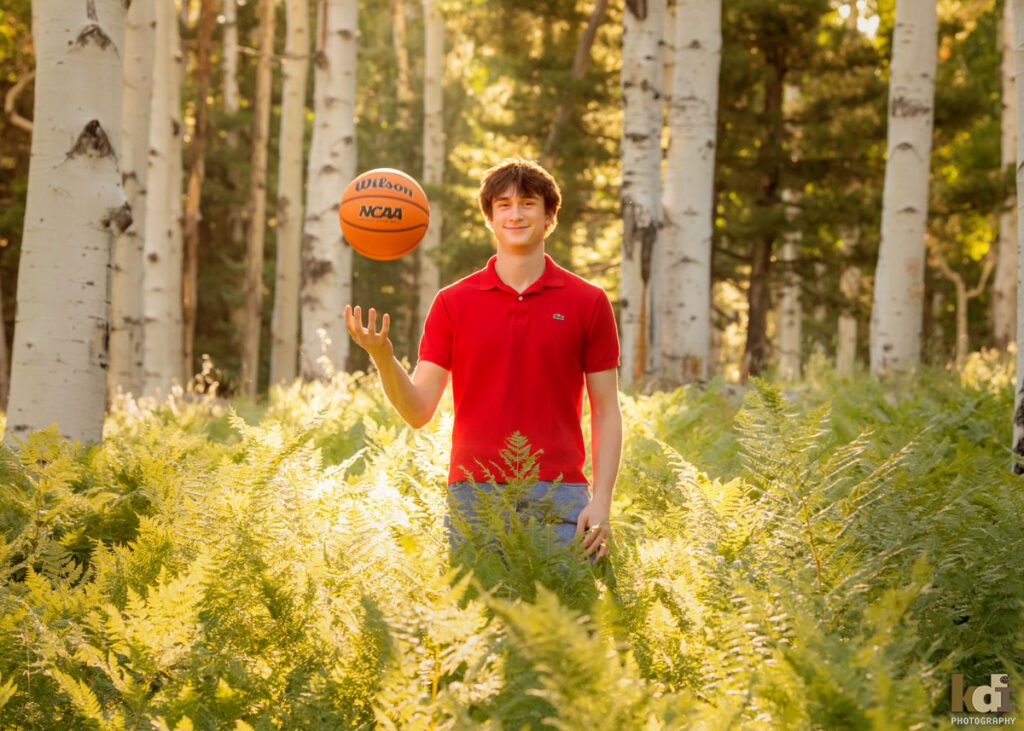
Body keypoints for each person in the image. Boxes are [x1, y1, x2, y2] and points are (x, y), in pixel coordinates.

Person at [344, 158, 622, 562]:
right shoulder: (452, 303)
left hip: (562, 497)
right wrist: (384, 358)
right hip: (474, 495)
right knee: (480, 622)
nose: (515, 213)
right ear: (489, 218)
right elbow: (419, 410)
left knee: (565, 624)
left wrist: (602, 500)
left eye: (528, 203)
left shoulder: (588, 301)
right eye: (504, 204)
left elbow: (607, 412)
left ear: (549, 216)